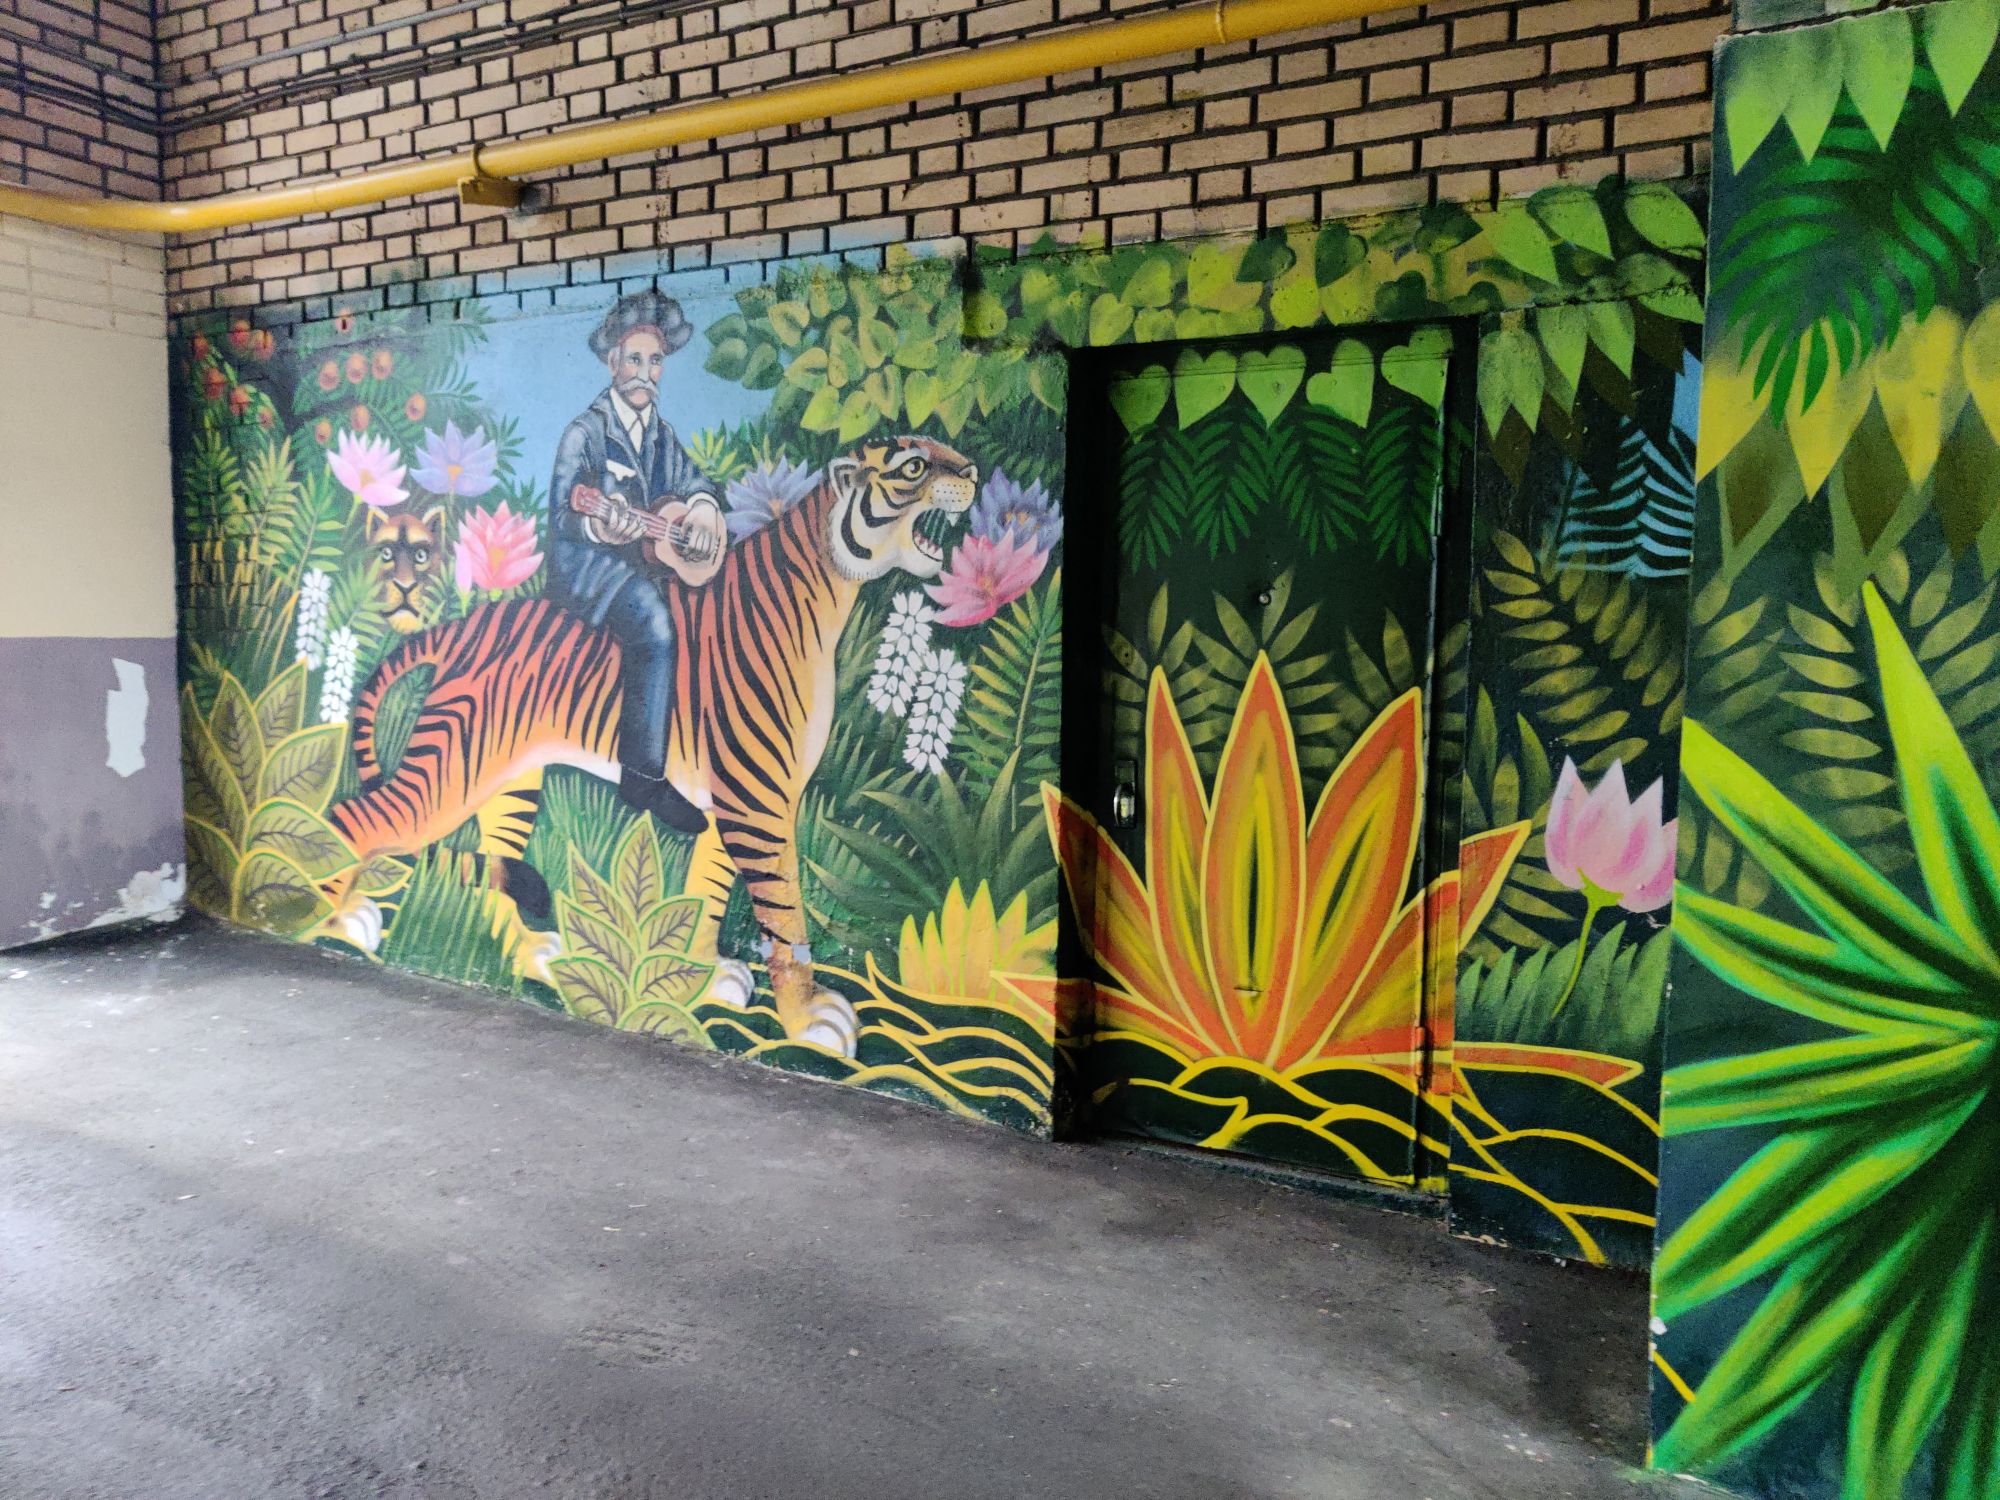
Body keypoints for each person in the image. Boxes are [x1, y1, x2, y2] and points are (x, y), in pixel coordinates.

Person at [546, 290, 726, 832]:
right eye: (635, 359)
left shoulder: (660, 435)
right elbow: (563, 513)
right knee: (652, 622)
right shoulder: (585, 432)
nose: (645, 372)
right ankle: (643, 778)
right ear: (612, 363)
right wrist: (599, 524)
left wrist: (702, 510)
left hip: (641, 561)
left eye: (655, 361)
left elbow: (696, 483)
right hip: (585, 566)